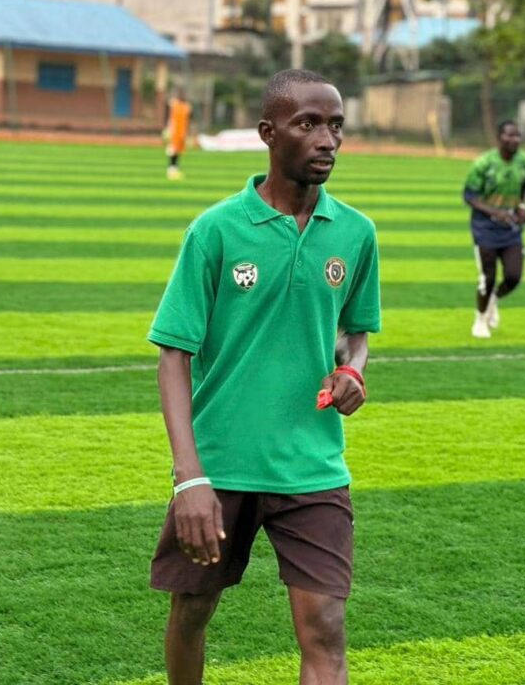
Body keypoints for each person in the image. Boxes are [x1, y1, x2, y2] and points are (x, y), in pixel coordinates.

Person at [147, 68, 381, 685]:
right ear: (268, 134)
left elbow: (355, 332)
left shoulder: (356, 233)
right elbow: (173, 355)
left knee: (325, 628)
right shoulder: (216, 230)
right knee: (192, 610)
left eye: (336, 126)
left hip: (313, 465)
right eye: (308, 124)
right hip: (221, 464)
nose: (327, 139)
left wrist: (351, 370)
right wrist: (189, 476)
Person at [463, 120, 525, 338]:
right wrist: (495, 212)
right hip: (485, 228)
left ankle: (494, 299)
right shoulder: (484, 163)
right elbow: (469, 196)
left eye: (518, 135)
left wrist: (523, 207)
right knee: (488, 277)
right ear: (499, 138)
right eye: (510, 135)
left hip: (511, 228)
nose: (514, 140)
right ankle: (480, 319)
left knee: (514, 276)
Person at [164, 88, 192, 180]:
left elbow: (188, 120)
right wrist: (168, 129)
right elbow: (169, 118)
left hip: (181, 133)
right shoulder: (174, 105)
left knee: (178, 152)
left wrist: (187, 133)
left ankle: (174, 170)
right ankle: (171, 171)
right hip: (174, 132)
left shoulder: (186, 107)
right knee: (173, 151)